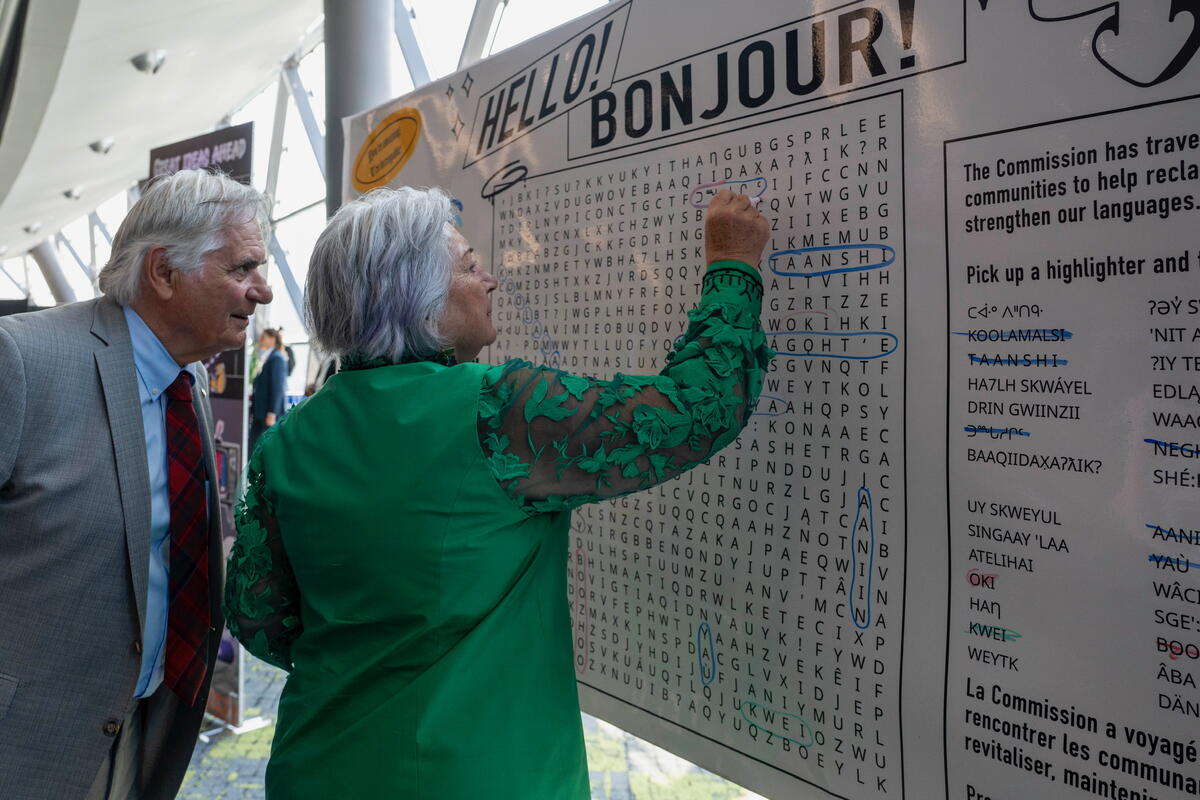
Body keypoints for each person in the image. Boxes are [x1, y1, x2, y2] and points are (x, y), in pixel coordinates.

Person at [223, 187, 771, 799]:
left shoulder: (291, 440)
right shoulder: (498, 411)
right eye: (467, 265)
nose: (491, 281)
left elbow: (258, 619)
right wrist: (731, 264)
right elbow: (695, 411)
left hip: (319, 765)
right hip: (477, 774)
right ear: (417, 296)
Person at [0, 169, 272, 799]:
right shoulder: (21, 361)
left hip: (141, 728)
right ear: (163, 272)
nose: (262, 291)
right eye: (242, 268)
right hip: (25, 746)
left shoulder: (189, 382)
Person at [249, 327, 288, 454]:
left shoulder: (277, 358)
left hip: (267, 413)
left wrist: (272, 413)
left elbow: (278, 388)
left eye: (263, 337)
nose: (260, 340)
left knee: (264, 447)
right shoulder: (268, 356)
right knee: (255, 445)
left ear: (272, 339)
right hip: (260, 410)